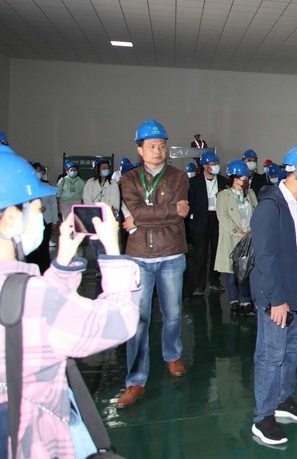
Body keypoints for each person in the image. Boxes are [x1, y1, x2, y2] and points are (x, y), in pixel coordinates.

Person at [0, 145, 141, 457]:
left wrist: (63, 261)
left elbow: (28, 315)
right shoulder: (34, 298)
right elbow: (118, 321)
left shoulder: (27, 294)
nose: (42, 217)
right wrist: (113, 250)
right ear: (10, 219)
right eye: (38, 210)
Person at [249, 145, 297, 446]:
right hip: (277, 289)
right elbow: (265, 258)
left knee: (293, 347)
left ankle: (283, 400)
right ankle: (263, 417)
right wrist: (276, 300)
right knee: (271, 354)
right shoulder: (271, 206)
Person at [116, 119, 191, 409]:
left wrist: (140, 219)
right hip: (139, 258)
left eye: (162, 145)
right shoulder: (129, 180)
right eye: (152, 146)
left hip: (171, 254)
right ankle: (135, 379)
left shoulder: (179, 177)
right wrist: (168, 210)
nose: (158, 151)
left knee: (173, 313)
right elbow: (141, 209)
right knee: (138, 320)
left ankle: (172, 355)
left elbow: (179, 213)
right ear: (140, 149)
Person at [216, 160, 258, 316]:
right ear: (234, 178)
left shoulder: (250, 193)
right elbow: (223, 216)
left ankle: (246, 301)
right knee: (231, 272)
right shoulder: (223, 195)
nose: (245, 181)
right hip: (231, 238)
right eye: (242, 178)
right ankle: (234, 301)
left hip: (248, 238)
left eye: (247, 178)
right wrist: (237, 232)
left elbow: (257, 210)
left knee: (245, 270)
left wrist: (252, 230)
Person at [187, 150, 227, 296]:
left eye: (217, 163)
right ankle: (199, 285)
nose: (216, 166)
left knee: (217, 251)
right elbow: (190, 202)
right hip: (201, 220)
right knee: (201, 253)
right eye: (212, 164)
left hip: (218, 219)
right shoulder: (194, 182)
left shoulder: (223, 181)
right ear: (204, 166)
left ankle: (214, 281)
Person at [82, 157, 121, 260]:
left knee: (105, 243)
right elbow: (87, 198)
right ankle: (98, 261)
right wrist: (95, 211)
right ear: (97, 169)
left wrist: (112, 211)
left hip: (107, 216)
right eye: (103, 168)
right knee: (94, 241)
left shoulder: (113, 183)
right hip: (93, 216)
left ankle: (102, 264)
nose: (105, 170)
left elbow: (115, 200)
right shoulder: (91, 182)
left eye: (107, 168)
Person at [24, 162, 56, 273]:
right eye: (35, 171)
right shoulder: (26, 186)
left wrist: (55, 220)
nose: (38, 173)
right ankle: (31, 270)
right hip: (30, 220)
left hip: (47, 219)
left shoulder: (46, 186)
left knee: (44, 246)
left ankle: (44, 271)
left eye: (39, 171)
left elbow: (53, 204)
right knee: (31, 246)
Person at [56, 159, 84, 227]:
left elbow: (82, 193)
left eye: (75, 170)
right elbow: (58, 192)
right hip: (65, 203)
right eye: (71, 170)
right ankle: (67, 232)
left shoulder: (80, 181)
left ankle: (74, 233)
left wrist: (82, 202)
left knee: (76, 221)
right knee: (66, 221)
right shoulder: (63, 180)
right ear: (67, 171)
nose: (73, 172)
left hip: (77, 202)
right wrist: (57, 203)